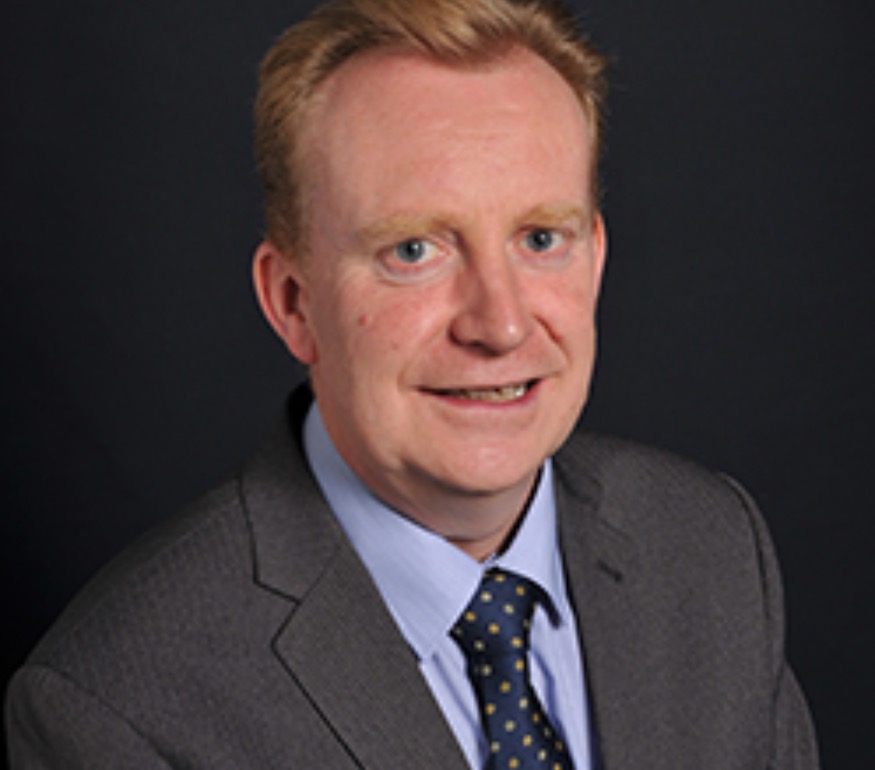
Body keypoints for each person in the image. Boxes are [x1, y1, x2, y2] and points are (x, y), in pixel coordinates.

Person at [5, 0, 819, 767]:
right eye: (413, 251)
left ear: (595, 259)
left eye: (541, 238)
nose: (500, 325)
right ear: (293, 302)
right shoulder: (118, 703)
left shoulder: (710, 550)